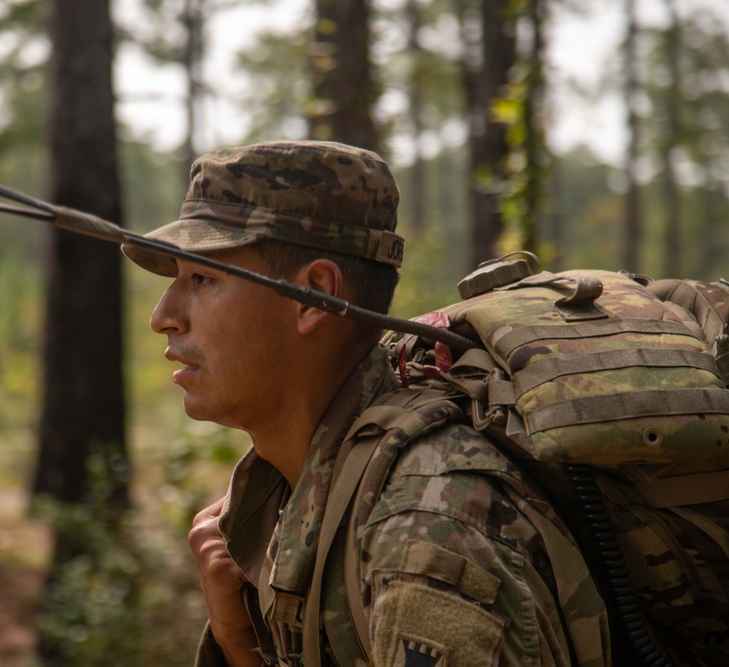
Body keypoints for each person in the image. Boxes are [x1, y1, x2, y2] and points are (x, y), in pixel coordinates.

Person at [122, 140, 611, 667]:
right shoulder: (300, 496)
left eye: (201, 278)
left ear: (313, 297)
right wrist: (239, 645)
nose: (163, 315)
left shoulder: (425, 531)